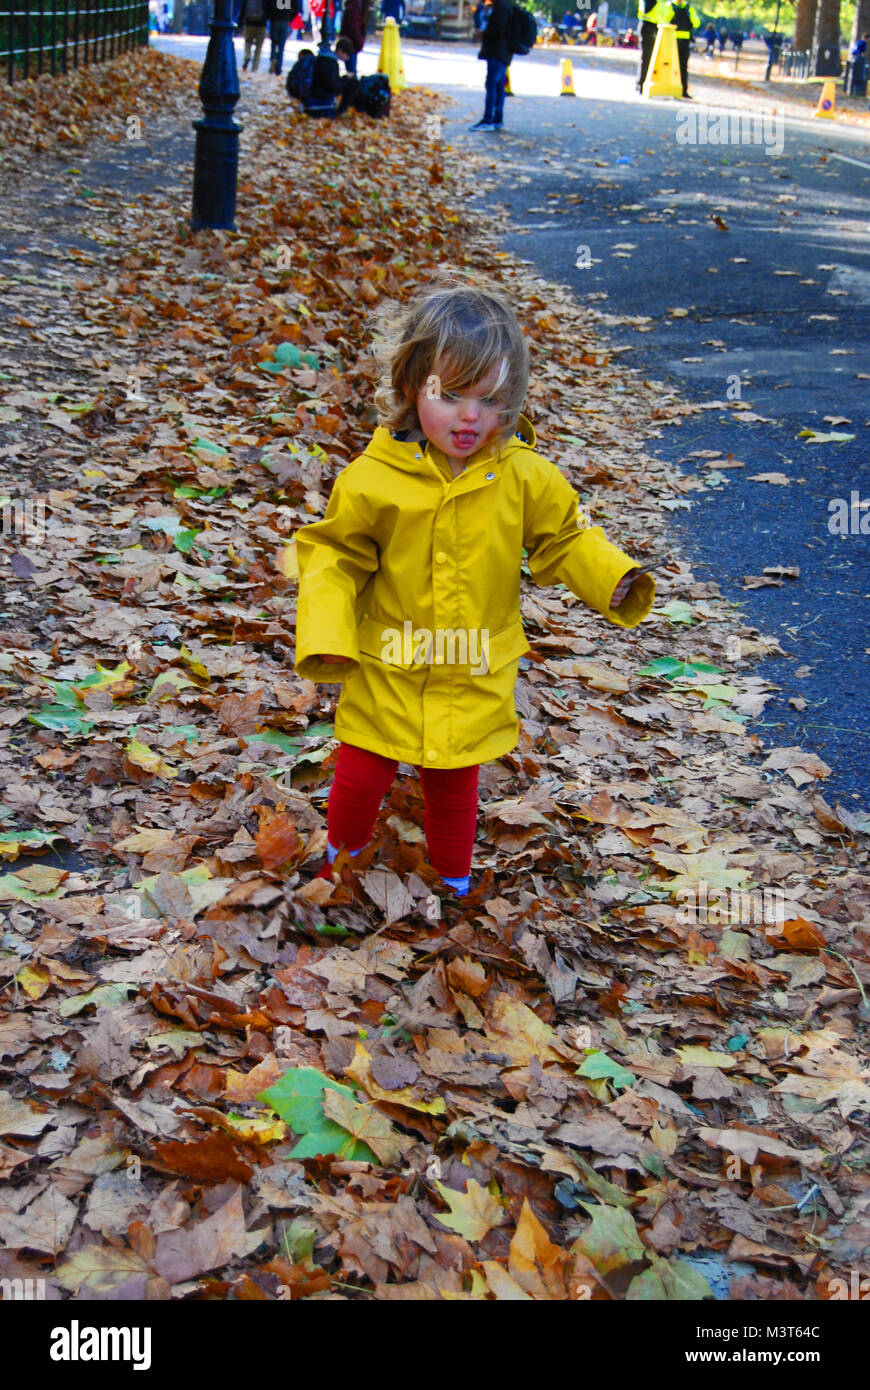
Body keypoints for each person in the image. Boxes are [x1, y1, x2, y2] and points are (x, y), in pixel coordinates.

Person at [294, 283, 655, 899]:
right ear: (412, 387)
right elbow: (334, 557)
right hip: (391, 662)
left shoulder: (522, 476)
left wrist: (611, 578)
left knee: (455, 782)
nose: (469, 417)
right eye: (450, 394)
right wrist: (329, 635)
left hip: (473, 668)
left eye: (489, 400)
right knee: (361, 769)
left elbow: (565, 538)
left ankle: (455, 886)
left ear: (510, 401)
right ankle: (339, 864)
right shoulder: (373, 479)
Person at [471, 0, 511, 130]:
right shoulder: (504, 5)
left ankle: (488, 120)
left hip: (497, 51)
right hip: (502, 51)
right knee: (498, 85)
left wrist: (483, 33)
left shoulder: (501, 7)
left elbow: (499, 30)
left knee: (492, 84)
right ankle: (497, 119)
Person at [648, 0, 700, 96]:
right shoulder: (669, 6)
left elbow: (696, 23)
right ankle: (667, 87)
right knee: (669, 65)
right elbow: (663, 20)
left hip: (685, 40)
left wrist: (691, 16)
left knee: (683, 66)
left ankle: (683, 90)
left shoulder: (689, 8)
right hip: (672, 39)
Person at [265, 0, 299, 73]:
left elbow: (267, 4)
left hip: (275, 19)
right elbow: (296, 7)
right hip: (285, 19)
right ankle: (278, 67)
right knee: (281, 46)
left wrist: (270, 17)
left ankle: (273, 59)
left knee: (274, 43)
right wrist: (289, 18)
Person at [239, 0, 268, 69]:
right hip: (261, 24)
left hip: (249, 23)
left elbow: (243, 9)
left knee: (248, 42)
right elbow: (269, 9)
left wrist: (240, 23)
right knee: (259, 47)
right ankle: (254, 67)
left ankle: (247, 56)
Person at [338, 0, 365, 72]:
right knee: (351, 73)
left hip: (351, 43)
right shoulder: (354, 7)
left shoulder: (354, 5)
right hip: (351, 45)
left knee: (351, 71)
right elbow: (354, 27)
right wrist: (359, 42)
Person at [637, 0, 657, 90]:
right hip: (649, 25)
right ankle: (641, 84)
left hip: (658, 26)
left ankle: (645, 83)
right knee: (647, 57)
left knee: (651, 57)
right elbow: (647, 9)